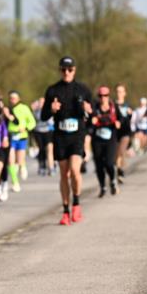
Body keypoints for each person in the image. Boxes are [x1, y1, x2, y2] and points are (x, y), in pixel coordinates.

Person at [40, 56, 93, 226]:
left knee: (75, 171)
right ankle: (65, 210)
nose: (66, 72)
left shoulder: (83, 89)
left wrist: (88, 110)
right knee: (64, 173)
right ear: (60, 70)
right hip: (60, 136)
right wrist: (51, 109)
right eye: (63, 69)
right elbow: (43, 116)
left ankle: (76, 203)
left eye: (69, 69)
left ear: (74, 70)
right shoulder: (52, 90)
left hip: (77, 135)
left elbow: (91, 115)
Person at [90, 86, 121, 197]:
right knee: (99, 165)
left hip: (111, 139)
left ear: (108, 96)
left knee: (109, 163)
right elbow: (88, 119)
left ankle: (113, 180)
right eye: (101, 96)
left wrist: (118, 123)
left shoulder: (114, 107)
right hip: (97, 139)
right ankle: (102, 186)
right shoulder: (95, 108)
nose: (103, 98)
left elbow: (121, 119)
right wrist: (91, 120)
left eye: (105, 95)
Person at [5, 90, 36, 192]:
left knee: (20, 159)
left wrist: (26, 128)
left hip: (22, 136)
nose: (12, 100)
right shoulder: (7, 109)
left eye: (14, 98)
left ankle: (22, 165)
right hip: (11, 136)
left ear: (19, 99)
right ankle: (15, 183)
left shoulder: (24, 108)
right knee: (10, 161)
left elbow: (32, 122)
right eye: (10, 98)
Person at [113, 84, 133, 183]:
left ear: (125, 93)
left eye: (121, 91)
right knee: (117, 154)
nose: (119, 93)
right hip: (115, 132)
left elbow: (130, 119)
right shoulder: (112, 105)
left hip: (126, 132)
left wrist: (130, 114)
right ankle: (119, 170)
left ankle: (120, 171)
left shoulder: (128, 105)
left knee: (121, 151)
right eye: (117, 91)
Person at [31, 97, 54, 176]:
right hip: (38, 132)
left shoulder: (49, 110)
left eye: (43, 102)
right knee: (41, 150)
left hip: (48, 131)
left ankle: (51, 167)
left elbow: (51, 121)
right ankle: (42, 165)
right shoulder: (36, 111)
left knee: (49, 149)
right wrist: (33, 110)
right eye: (40, 102)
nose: (41, 104)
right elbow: (33, 121)